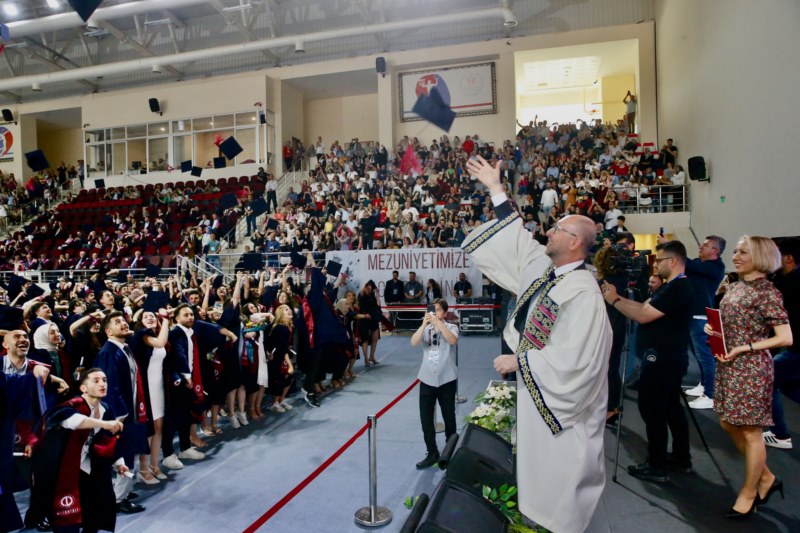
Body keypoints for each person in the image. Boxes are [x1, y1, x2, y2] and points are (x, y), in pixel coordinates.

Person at [462, 155, 612, 533]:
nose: (549, 232)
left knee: (559, 485)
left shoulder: (583, 291)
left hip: (560, 402)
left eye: (558, 229)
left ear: (575, 242)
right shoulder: (551, 273)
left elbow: (579, 359)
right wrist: (496, 189)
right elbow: (517, 239)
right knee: (537, 475)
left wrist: (520, 363)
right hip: (538, 390)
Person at [706, 236, 792, 518]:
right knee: (728, 422)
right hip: (729, 364)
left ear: (762, 256)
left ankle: (749, 492)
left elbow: (785, 337)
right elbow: (733, 321)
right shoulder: (737, 285)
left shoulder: (767, 291)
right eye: (736, 251)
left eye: (744, 252)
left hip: (752, 367)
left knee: (752, 432)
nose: (736, 255)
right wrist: (715, 330)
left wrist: (745, 346)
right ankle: (766, 478)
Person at [603, 241, 694, 484]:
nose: (656, 265)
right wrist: (619, 297)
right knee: (671, 409)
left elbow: (643, 315)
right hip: (669, 358)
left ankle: (657, 466)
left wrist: (613, 301)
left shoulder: (677, 288)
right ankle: (680, 458)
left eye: (660, 260)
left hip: (662, 359)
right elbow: (644, 306)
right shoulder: (674, 287)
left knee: (653, 411)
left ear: (673, 261)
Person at [25, 368, 125, 533]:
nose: (102, 384)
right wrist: (104, 424)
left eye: (105, 380)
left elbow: (109, 440)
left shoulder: (106, 408)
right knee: (65, 519)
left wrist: (119, 463)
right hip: (63, 470)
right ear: (83, 388)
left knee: (94, 515)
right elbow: (72, 421)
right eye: (96, 380)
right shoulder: (72, 405)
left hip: (89, 469)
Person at [93, 311, 147, 514]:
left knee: (127, 453)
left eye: (124, 320)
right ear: (108, 331)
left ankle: (121, 491)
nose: (123, 323)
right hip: (120, 415)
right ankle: (118, 499)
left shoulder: (124, 348)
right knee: (124, 454)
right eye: (117, 322)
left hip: (130, 410)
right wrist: (119, 415)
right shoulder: (108, 352)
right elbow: (108, 386)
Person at [669, 235, 726, 410]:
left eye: (705, 245)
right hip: (692, 315)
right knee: (699, 355)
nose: (700, 247)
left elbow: (690, 265)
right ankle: (704, 384)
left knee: (706, 357)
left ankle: (712, 394)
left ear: (715, 250)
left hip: (701, 317)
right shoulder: (698, 265)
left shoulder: (715, 267)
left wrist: (672, 249)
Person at [410, 298, 459, 468]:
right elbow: (414, 342)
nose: (434, 313)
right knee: (426, 420)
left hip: (446, 379)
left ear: (445, 313)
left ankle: (450, 451)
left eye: (438, 310)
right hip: (427, 379)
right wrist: (424, 325)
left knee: (449, 417)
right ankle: (432, 452)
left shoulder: (451, 327)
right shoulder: (427, 329)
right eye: (433, 310)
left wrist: (440, 324)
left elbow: (452, 340)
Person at [764, 237, 800, 449]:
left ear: (788, 259)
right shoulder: (784, 281)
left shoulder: (790, 284)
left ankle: (780, 435)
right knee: (788, 385)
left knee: (768, 380)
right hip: (793, 348)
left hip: (795, 349)